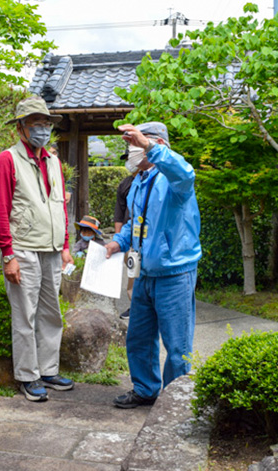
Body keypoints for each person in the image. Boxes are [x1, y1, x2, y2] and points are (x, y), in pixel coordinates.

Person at [104, 122, 202, 409]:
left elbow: (185, 173)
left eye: (135, 144)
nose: (131, 151)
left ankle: (174, 401)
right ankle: (145, 390)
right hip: (145, 272)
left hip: (174, 272)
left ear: (157, 143)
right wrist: (118, 242)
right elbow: (136, 221)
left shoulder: (173, 179)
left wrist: (148, 145)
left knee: (177, 346)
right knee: (139, 338)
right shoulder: (140, 180)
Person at [0, 96, 75, 402]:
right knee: (25, 314)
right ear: (21, 128)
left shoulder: (53, 161)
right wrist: (7, 254)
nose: (42, 129)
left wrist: (65, 245)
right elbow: (0, 209)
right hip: (23, 248)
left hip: (52, 249)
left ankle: (48, 369)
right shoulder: (7, 159)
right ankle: (28, 375)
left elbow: (60, 206)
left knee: (51, 313)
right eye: (35, 124)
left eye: (45, 123)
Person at [114, 152, 139, 319]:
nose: (129, 163)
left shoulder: (154, 181)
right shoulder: (126, 184)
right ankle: (135, 308)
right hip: (129, 237)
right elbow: (119, 213)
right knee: (133, 274)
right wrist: (118, 241)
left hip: (147, 241)